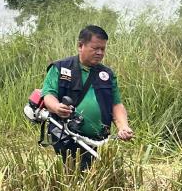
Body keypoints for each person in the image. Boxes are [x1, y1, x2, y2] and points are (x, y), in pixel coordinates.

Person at [40, 24, 133, 168]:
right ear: (80, 46)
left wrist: (123, 127)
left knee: (92, 173)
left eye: (103, 49)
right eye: (95, 48)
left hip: (97, 138)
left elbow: (116, 104)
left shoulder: (107, 74)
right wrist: (57, 107)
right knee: (74, 172)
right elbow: (48, 95)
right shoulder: (60, 67)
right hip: (65, 133)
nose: (100, 53)